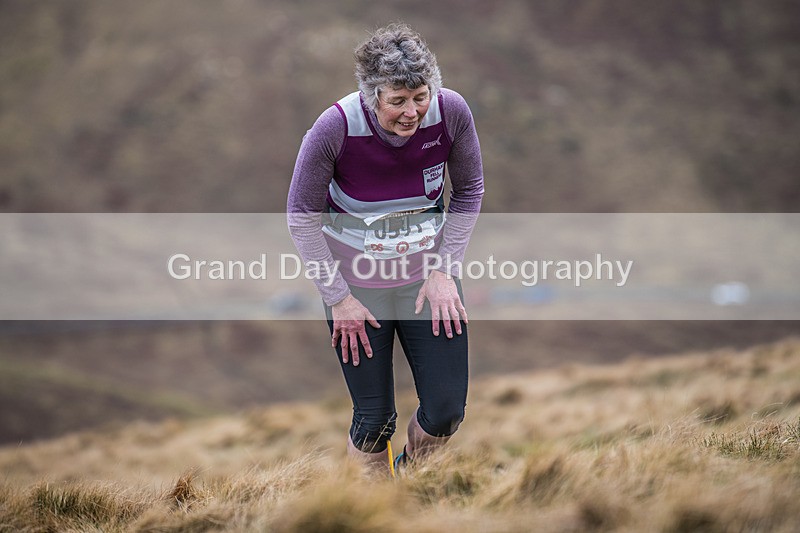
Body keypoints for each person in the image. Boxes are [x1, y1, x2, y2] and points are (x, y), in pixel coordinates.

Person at [287, 23, 484, 474]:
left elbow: (469, 189)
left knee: (446, 410)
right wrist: (338, 298)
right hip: (356, 287)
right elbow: (301, 216)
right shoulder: (334, 128)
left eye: (420, 96)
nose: (411, 112)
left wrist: (444, 271)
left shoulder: (451, 112)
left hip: (427, 278)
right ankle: (375, 506)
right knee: (375, 420)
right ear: (371, 95)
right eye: (398, 101)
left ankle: (410, 482)